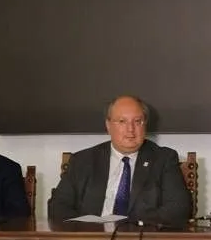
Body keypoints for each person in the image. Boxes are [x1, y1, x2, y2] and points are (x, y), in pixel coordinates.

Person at [47, 95, 191, 226]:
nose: (131, 129)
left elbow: (179, 208)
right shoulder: (82, 160)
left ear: (145, 124)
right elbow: (57, 206)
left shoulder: (163, 159)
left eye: (137, 121)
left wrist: (130, 223)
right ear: (108, 126)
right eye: (122, 121)